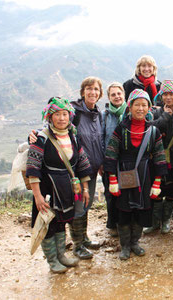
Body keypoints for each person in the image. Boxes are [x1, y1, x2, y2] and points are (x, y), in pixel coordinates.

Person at [29, 77, 105, 260]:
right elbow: (48, 131)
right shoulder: (73, 112)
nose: (92, 92)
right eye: (89, 88)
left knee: (84, 205)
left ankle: (83, 239)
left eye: (96, 89)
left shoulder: (98, 114)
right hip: (71, 174)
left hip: (89, 170)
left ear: (100, 93)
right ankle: (77, 246)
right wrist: (32, 135)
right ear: (82, 91)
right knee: (76, 208)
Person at [26, 97, 93, 273]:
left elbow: (82, 164)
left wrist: (85, 188)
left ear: (69, 116)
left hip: (66, 190)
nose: (62, 118)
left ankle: (62, 256)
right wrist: (38, 197)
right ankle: (52, 261)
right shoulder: (41, 138)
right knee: (47, 225)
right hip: (47, 190)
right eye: (57, 114)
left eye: (65, 114)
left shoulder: (73, 136)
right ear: (49, 116)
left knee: (61, 223)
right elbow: (32, 169)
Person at [104, 89, 167, 260]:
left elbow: (160, 158)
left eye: (144, 105)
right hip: (123, 174)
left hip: (145, 176)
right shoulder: (121, 129)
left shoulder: (153, 132)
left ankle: (135, 243)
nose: (140, 108)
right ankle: (124, 246)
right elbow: (111, 154)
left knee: (141, 210)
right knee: (124, 210)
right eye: (137, 105)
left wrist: (157, 183)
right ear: (130, 107)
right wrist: (112, 180)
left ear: (149, 108)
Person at [143, 80, 173, 234]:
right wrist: (165, 118)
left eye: (171, 94)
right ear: (161, 96)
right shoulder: (155, 112)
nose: (168, 97)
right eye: (165, 94)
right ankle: (155, 222)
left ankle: (166, 222)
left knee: (171, 191)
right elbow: (148, 129)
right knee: (156, 191)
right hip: (156, 158)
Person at [100, 82, 127, 237]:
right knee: (110, 194)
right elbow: (101, 138)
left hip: (127, 162)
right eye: (113, 94)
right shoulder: (104, 116)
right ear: (109, 97)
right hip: (109, 161)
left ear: (123, 95)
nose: (117, 97)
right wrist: (103, 162)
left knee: (125, 193)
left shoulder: (130, 112)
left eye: (119, 93)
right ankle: (112, 224)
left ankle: (125, 223)